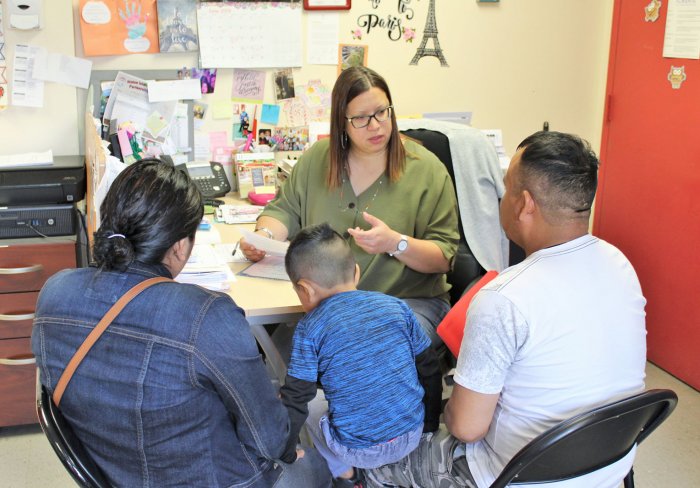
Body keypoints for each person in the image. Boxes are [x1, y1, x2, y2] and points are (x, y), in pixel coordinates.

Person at [364, 131, 647, 488]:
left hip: (515, 477)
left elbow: (466, 429)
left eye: (506, 187)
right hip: (606, 466)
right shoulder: (619, 265)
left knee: (370, 459)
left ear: (524, 204)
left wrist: (451, 401)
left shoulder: (505, 297)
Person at [32, 160, 331, 488]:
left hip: (111, 474)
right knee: (319, 462)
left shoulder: (55, 292)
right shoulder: (205, 315)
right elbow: (270, 442)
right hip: (216, 480)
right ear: (179, 246)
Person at [240, 66, 459, 345]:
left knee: (351, 349)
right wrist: (264, 238)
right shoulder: (318, 159)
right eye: (361, 119)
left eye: (382, 112)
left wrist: (395, 243)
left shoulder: (426, 170)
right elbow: (284, 210)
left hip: (406, 304)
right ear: (341, 122)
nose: (376, 125)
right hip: (328, 305)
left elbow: (444, 256)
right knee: (265, 348)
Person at [278, 223, 443, 487]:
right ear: (356, 272)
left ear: (304, 289)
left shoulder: (309, 329)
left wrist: (284, 453)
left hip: (358, 451)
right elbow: (430, 367)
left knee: (309, 402)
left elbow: (296, 398)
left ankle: (346, 474)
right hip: (412, 435)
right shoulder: (396, 307)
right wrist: (430, 424)